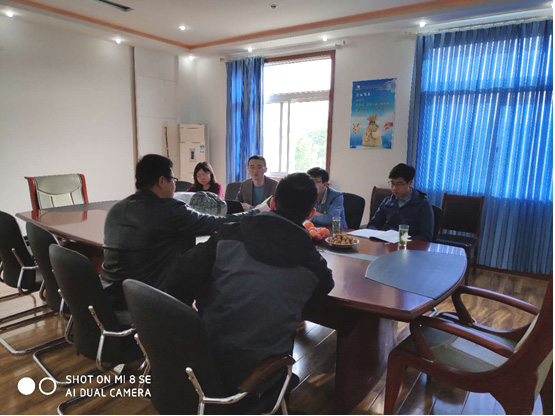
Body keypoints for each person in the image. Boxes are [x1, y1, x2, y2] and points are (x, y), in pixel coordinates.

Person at [166, 172, 334, 393]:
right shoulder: (312, 264)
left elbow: (179, 276)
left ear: (272, 203)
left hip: (202, 358)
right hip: (258, 373)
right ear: (311, 214)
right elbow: (324, 287)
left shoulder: (228, 234)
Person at [102, 154, 266, 310]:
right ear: (162, 181)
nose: (174, 186)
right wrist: (256, 211)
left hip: (110, 300)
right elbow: (217, 223)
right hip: (148, 303)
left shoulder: (115, 209)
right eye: (173, 180)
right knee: (210, 249)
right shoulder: (169, 209)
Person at [367, 163, 433, 241]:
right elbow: (373, 224)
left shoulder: (422, 203)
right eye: (392, 183)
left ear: (409, 183)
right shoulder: (388, 201)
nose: (394, 188)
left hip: (409, 245)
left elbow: (425, 236)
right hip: (387, 243)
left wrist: (403, 240)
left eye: (399, 184)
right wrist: (376, 235)